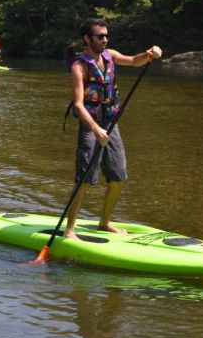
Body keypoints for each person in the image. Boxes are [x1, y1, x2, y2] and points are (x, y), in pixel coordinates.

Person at [64, 18, 162, 240]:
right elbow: (79, 104)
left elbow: (133, 60)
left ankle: (104, 223)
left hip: (111, 122)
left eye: (106, 36)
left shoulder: (111, 56)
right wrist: (96, 129)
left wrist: (149, 54)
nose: (105, 40)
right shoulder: (79, 66)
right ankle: (69, 229)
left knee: (119, 175)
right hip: (91, 125)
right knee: (86, 178)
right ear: (87, 39)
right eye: (100, 36)